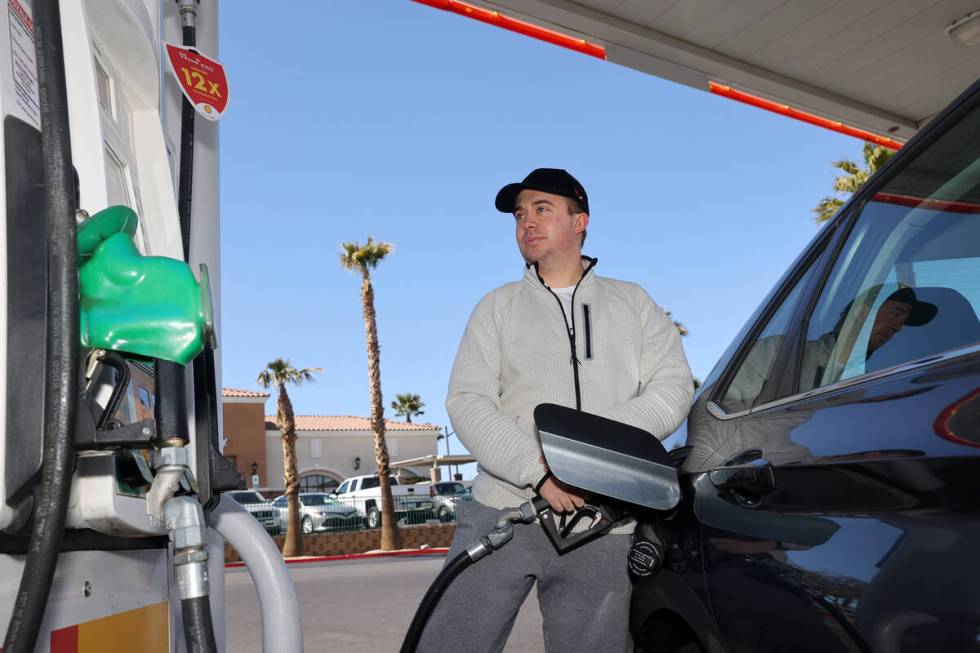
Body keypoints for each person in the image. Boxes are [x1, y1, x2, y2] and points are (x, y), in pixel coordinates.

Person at [418, 168, 694, 653]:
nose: (527, 222)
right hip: (504, 508)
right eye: (520, 215)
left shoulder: (633, 303)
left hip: (604, 521)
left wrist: (593, 459)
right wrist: (540, 469)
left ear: (580, 220)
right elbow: (467, 400)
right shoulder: (496, 308)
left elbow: (672, 389)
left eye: (542, 209)